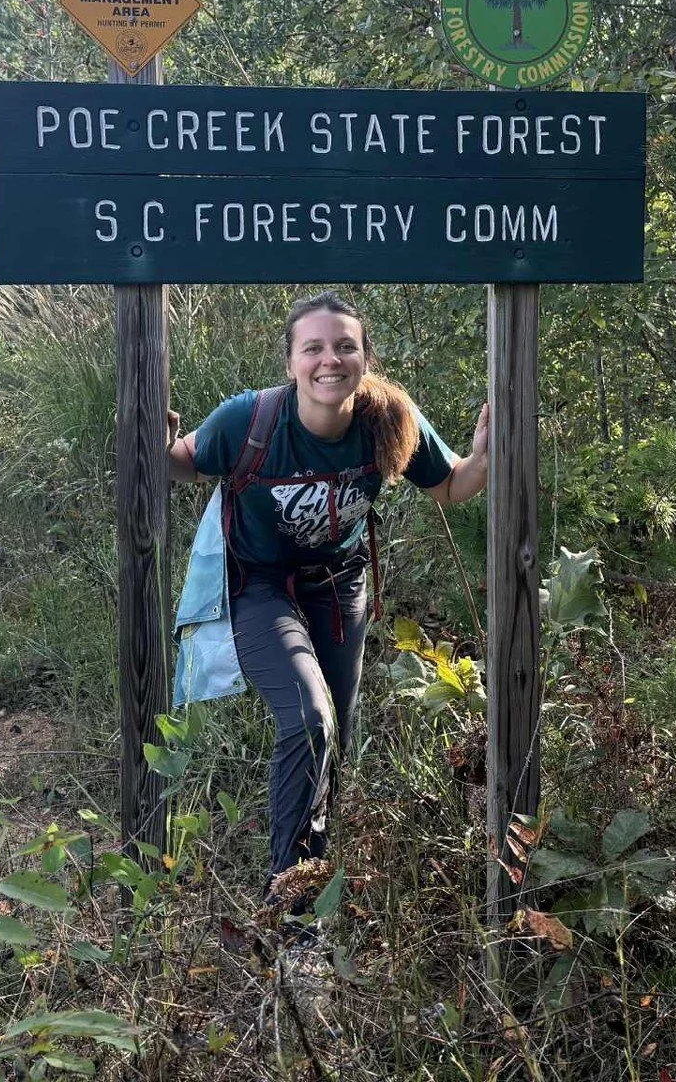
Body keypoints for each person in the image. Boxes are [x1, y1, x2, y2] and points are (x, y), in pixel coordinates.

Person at [167, 290, 488, 910]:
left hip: (340, 589)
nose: (329, 360)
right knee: (309, 719)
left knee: (331, 736)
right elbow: (181, 464)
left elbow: (451, 487)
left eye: (345, 346)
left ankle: (315, 875)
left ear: (365, 358)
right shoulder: (250, 421)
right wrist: (157, 444)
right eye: (312, 348)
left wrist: (483, 456)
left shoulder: (389, 420)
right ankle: (289, 906)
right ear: (290, 361)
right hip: (259, 588)